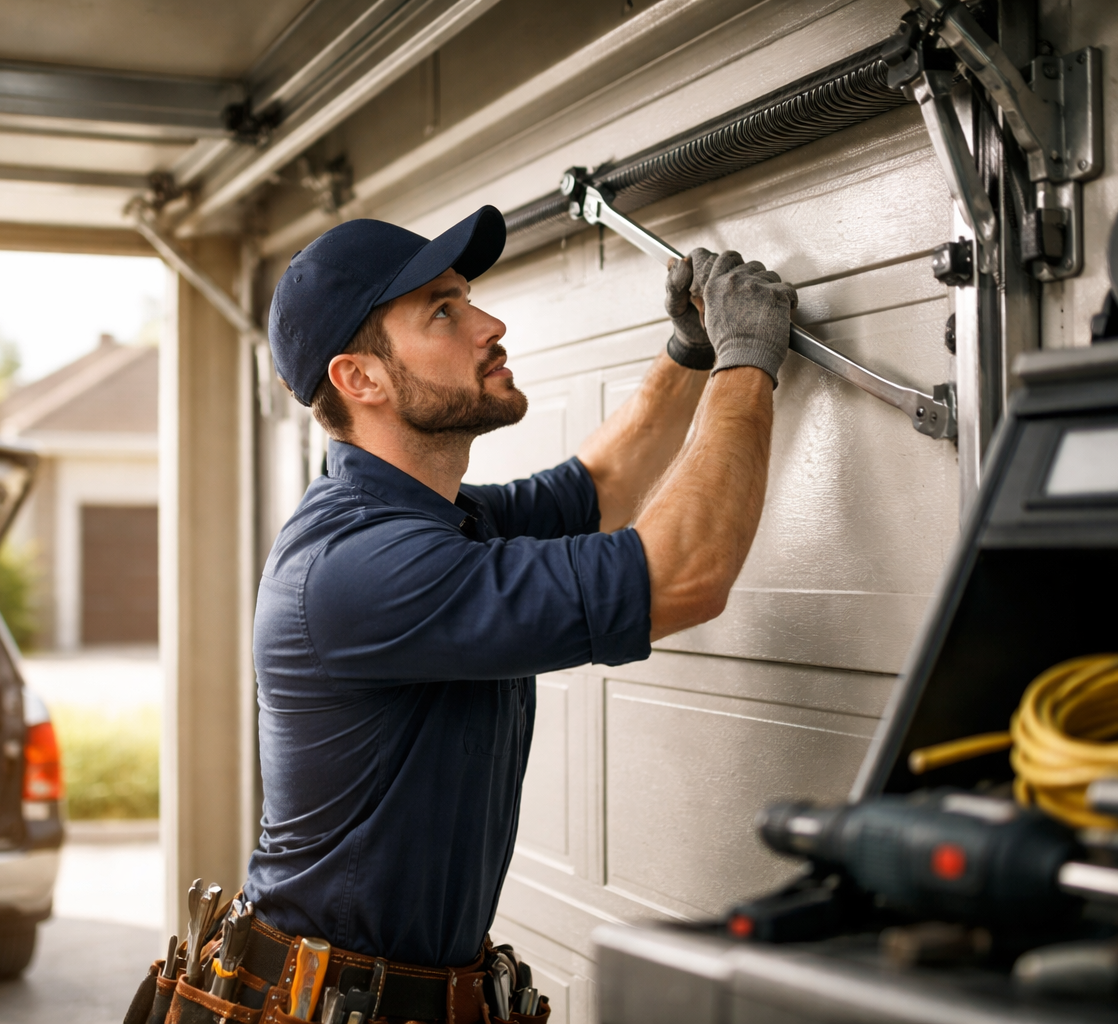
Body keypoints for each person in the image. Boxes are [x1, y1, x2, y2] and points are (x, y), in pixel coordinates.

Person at [242, 206, 795, 1021]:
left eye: (468, 297)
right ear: (360, 378)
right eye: (444, 311)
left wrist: (689, 351)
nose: (491, 324)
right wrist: (748, 362)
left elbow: (600, 486)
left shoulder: (436, 520)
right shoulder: (357, 569)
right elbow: (684, 574)